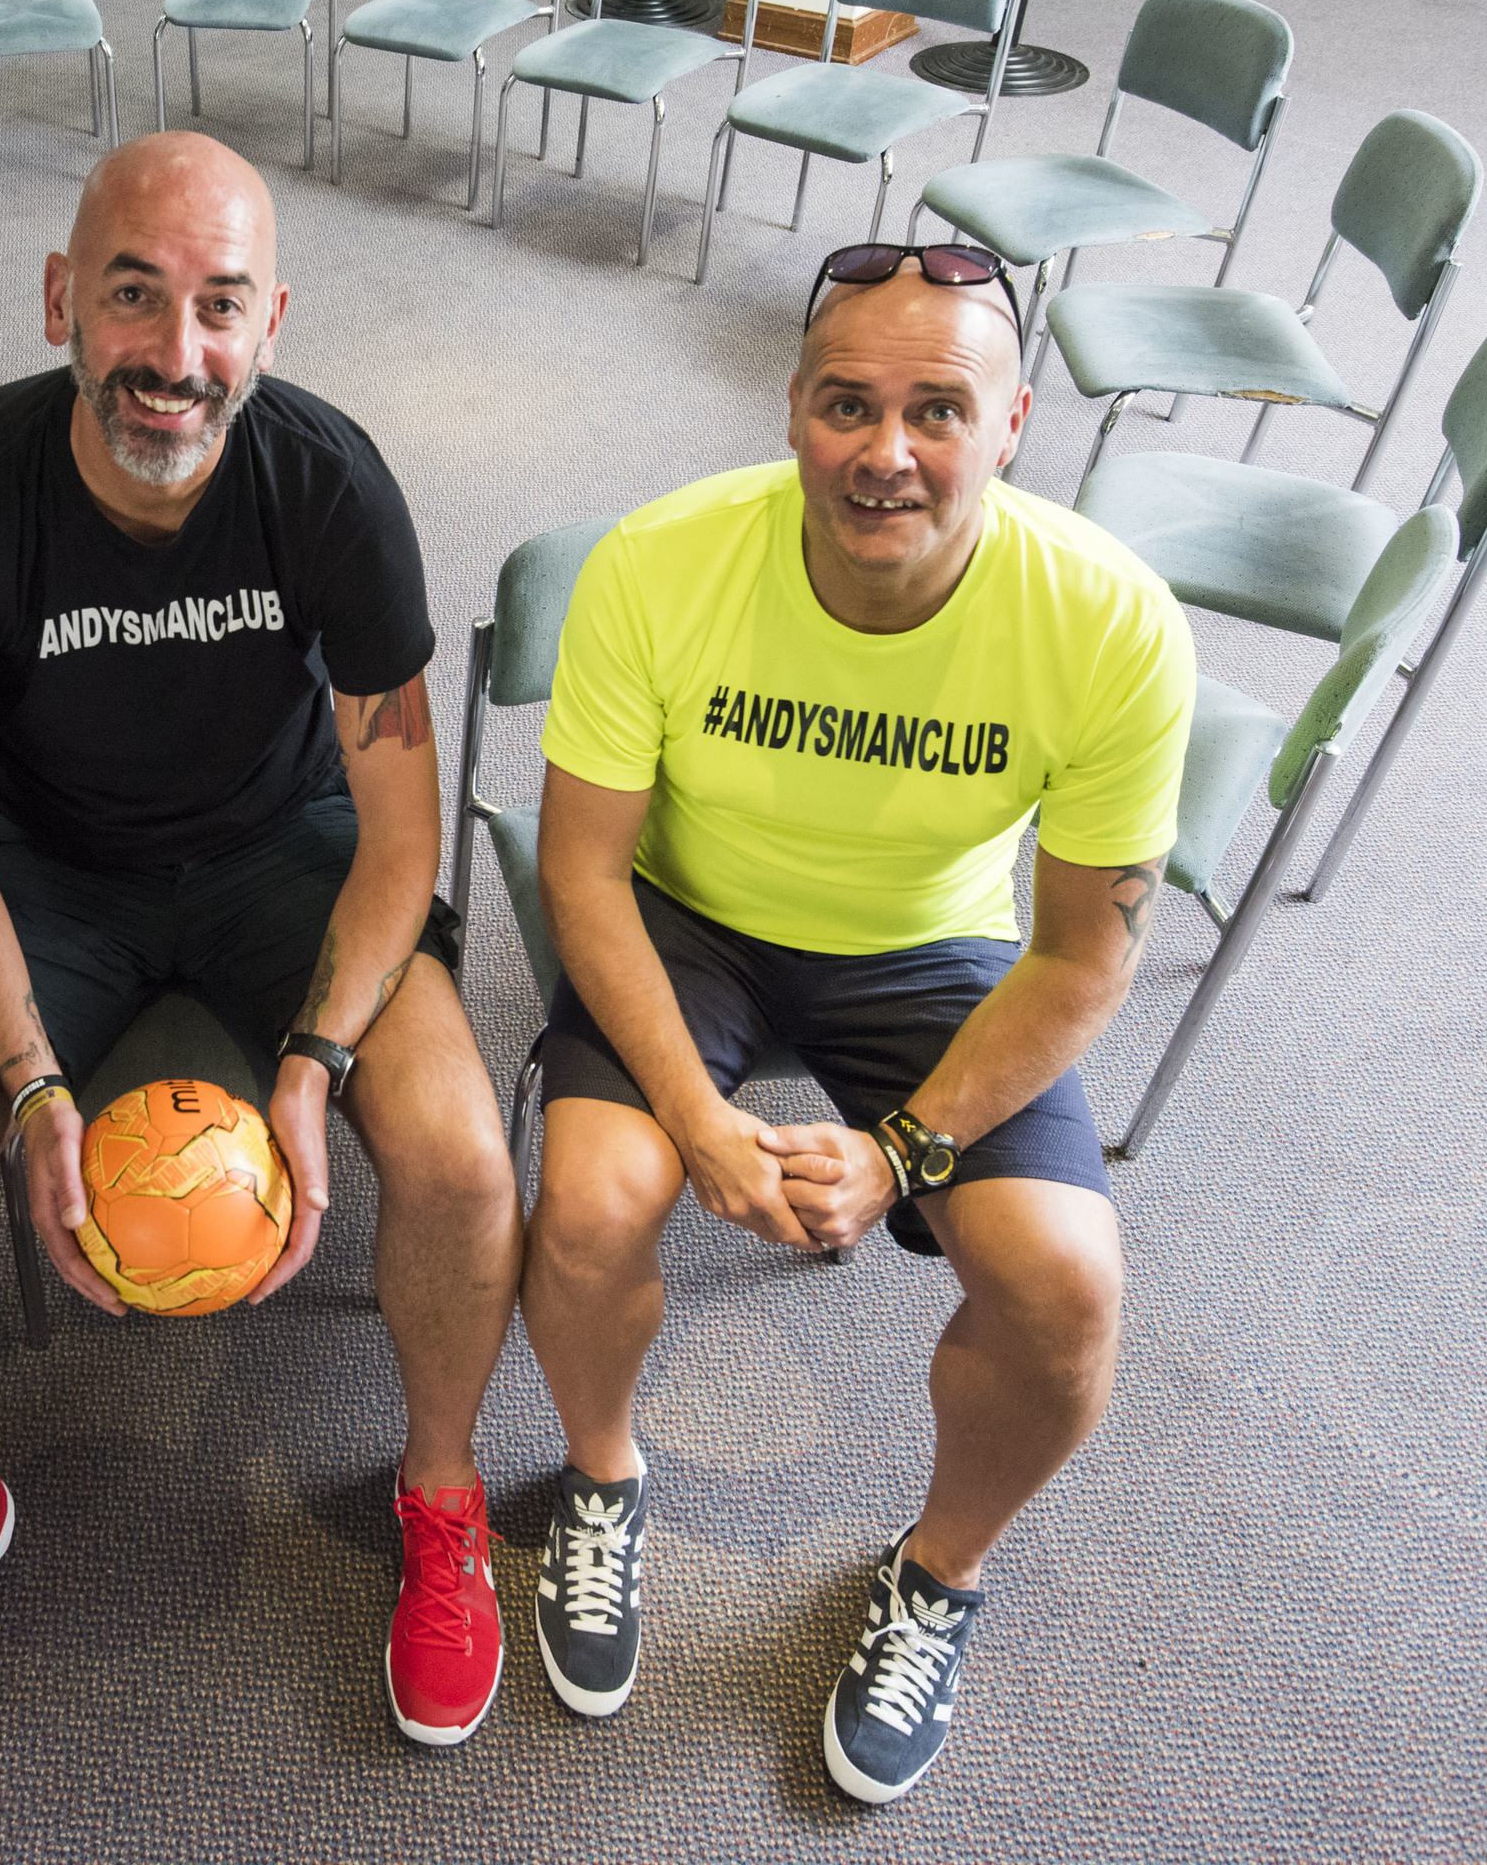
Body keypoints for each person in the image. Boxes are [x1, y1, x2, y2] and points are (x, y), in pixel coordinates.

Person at [0, 134, 521, 1778]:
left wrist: (318, 1061)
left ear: (271, 320)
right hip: (43, 873)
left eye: (221, 307)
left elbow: (403, 828)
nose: (177, 355)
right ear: (64, 296)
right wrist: (27, 1086)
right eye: (135, 297)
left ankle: (442, 1496)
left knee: (463, 1159)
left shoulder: (331, 486)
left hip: (285, 858)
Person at [518, 241, 1195, 1804]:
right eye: (848, 404)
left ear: (1013, 421)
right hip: (687, 918)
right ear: (794, 412)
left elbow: (1087, 957)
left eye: (938, 410)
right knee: (592, 1207)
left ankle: (939, 1574)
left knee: (1068, 1290)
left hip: (934, 945)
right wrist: (695, 1121)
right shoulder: (663, 561)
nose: (887, 453)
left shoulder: (1109, 620)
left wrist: (899, 1154)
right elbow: (581, 869)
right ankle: (601, 1478)